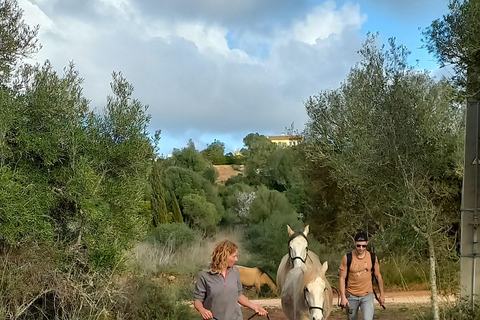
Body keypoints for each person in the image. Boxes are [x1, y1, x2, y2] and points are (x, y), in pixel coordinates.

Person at [194, 240, 268, 320]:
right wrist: (202, 310)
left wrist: (255, 307)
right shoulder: (204, 276)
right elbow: (198, 300)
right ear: (224, 256)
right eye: (234, 256)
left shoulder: (235, 272)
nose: (236, 260)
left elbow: (239, 295)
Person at [339, 232, 385, 320]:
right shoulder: (347, 257)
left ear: (367, 244)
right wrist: (343, 297)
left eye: (363, 246)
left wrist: (382, 294)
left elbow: (378, 276)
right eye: (358, 245)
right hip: (351, 295)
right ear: (354, 244)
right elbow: (342, 278)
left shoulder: (372, 257)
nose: (361, 248)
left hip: (367, 295)